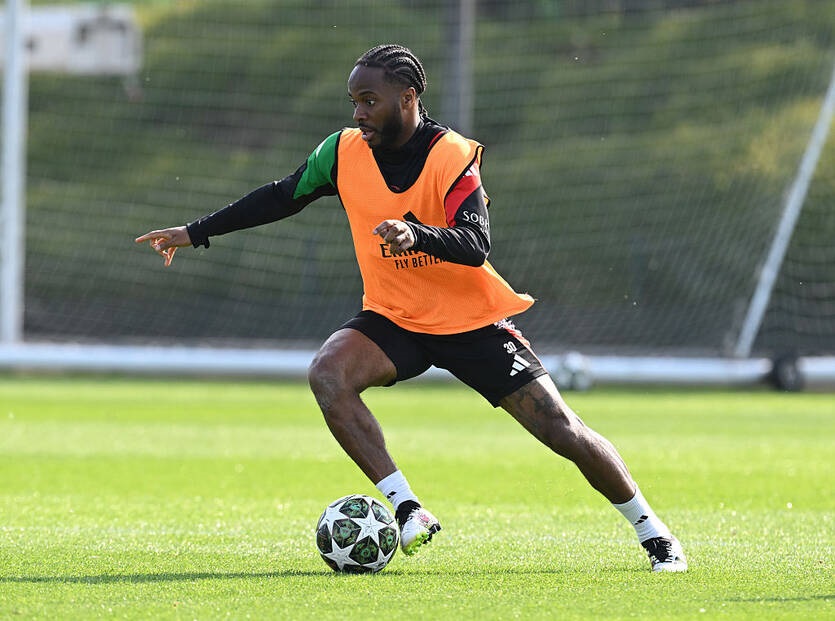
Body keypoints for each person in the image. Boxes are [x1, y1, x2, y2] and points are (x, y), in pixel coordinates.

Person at [136, 44, 687, 572]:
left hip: (470, 323)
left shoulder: (453, 156)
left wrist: (415, 234)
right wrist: (195, 231)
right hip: (394, 318)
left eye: (369, 101)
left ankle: (655, 535)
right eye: (354, 101)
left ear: (408, 97)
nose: (359, 113)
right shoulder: (341, 152)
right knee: (328, 374)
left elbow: (475, 244)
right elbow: (282, 195)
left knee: (563, 429)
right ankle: (407, 509)